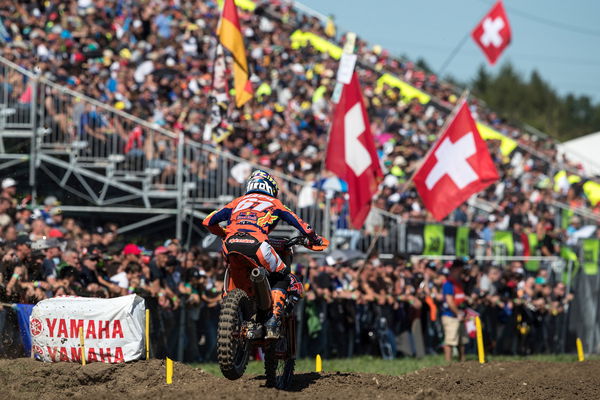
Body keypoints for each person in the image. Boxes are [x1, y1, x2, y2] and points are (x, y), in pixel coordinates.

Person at [203, 169, 326, 338]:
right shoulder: (274, 203)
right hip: (258, 245)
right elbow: (302, 225)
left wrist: (223, 233)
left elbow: (208, 221)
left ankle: (233, 308)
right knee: (284, 276)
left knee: (232, 272)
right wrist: (315, 238)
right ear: (271, 188)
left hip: (230, 245)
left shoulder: (237, 201)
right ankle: (273, 320)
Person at [441, 259, 468, 362]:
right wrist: (458, 313)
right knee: (450, 341)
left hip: (460, 316)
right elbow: (449, 301)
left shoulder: (459, 283)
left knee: (462, 342)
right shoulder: (448, 284)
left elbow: (459, 298)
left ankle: (462, 364)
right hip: (450, 316)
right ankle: (448, 365)